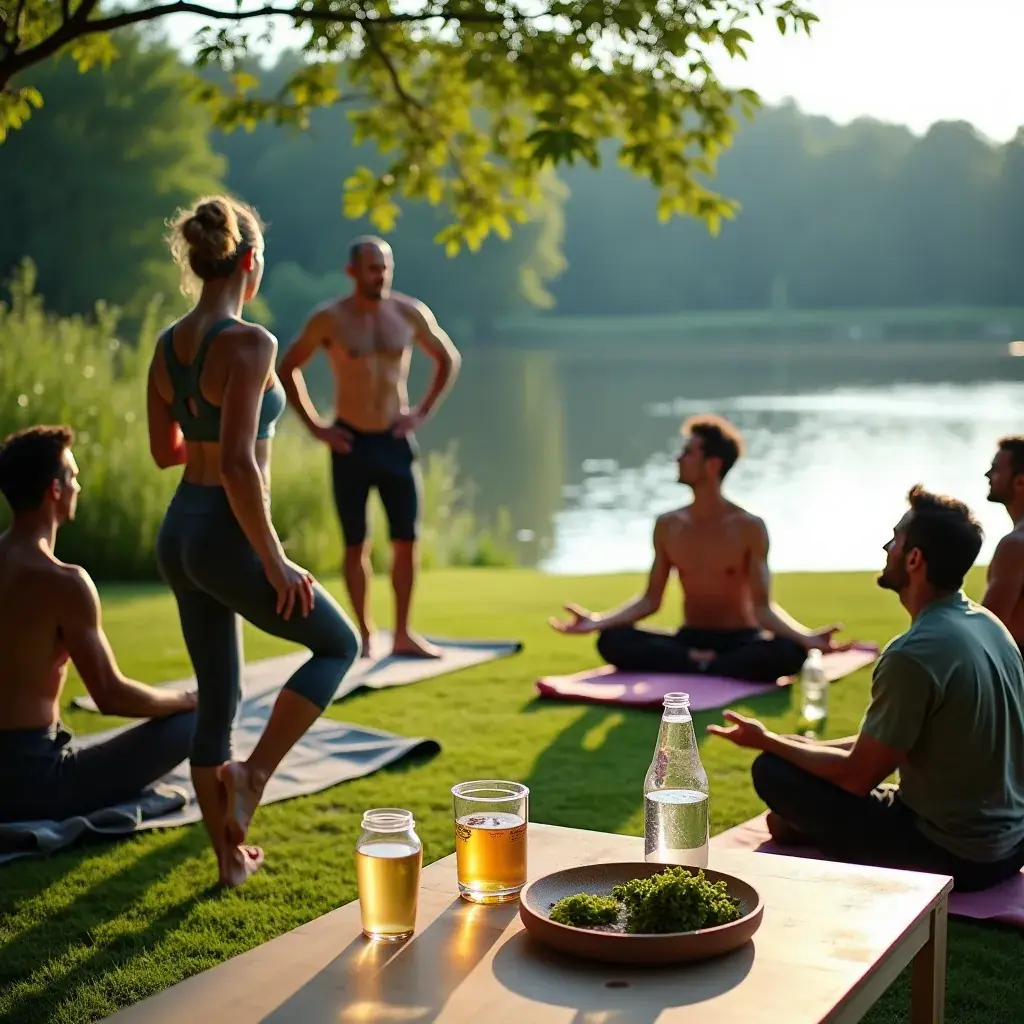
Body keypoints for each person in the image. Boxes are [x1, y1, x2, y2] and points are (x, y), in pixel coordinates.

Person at [148, 195, 361, 887]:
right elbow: (240, 462)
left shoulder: (169, 343)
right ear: (249, 261)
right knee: (338, 644)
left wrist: (208, 440)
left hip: (179, 530)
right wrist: (274, 560)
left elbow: (164, 450)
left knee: (219, 696)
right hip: (223, 534)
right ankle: (254, 774)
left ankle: (228, 859)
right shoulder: (251, 342)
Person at [709, 485, 1024, 892]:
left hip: (956, 856)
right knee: (789, 788)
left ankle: (812, 828)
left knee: (771, 771)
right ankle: (807, 824)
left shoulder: (912, 653)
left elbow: (859, 776)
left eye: (895, 538)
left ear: (914, 559)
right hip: (1012, 846)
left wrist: (769, 744)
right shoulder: (988, 624)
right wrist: (785, 741)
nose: (886, 546)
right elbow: (883, 746)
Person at [549, 414, 845, 682]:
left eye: (688, 452)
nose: (678, 458)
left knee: (788, 651)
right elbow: (651, 600)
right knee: (611, 639)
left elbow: (762, 608)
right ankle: (708, 663)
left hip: (741, 639)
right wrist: (597, 622)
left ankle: (701, 664)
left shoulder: (749, 528)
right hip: (688, 639)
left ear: (712, 464)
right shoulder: (668, 525)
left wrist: (806, 638)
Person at [0, 425, 197, 825]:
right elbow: (110, 695)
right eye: (72, 477)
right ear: (54, 491)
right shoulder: (64, 581)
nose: (78, 486)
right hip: (34, 783)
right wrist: (186, 700)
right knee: (197, 722)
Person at [277, 236, 462, 660]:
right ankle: (364, 633)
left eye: (385, 266)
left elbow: (447, 357)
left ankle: (403, 632)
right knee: (355, 544)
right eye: (372, 267)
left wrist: (421, 412)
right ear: (352, 271)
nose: (380, 274)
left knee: (406, 542)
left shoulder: (408, 312)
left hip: (395, 440)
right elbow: (287, 368)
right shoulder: (330, 319)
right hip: (350, 442)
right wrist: (317, 428)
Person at [981, 435, 1024, 647]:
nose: (987, 475)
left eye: (996, 469)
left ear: (1020, 482)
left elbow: (988, 628)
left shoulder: (1015, 546)